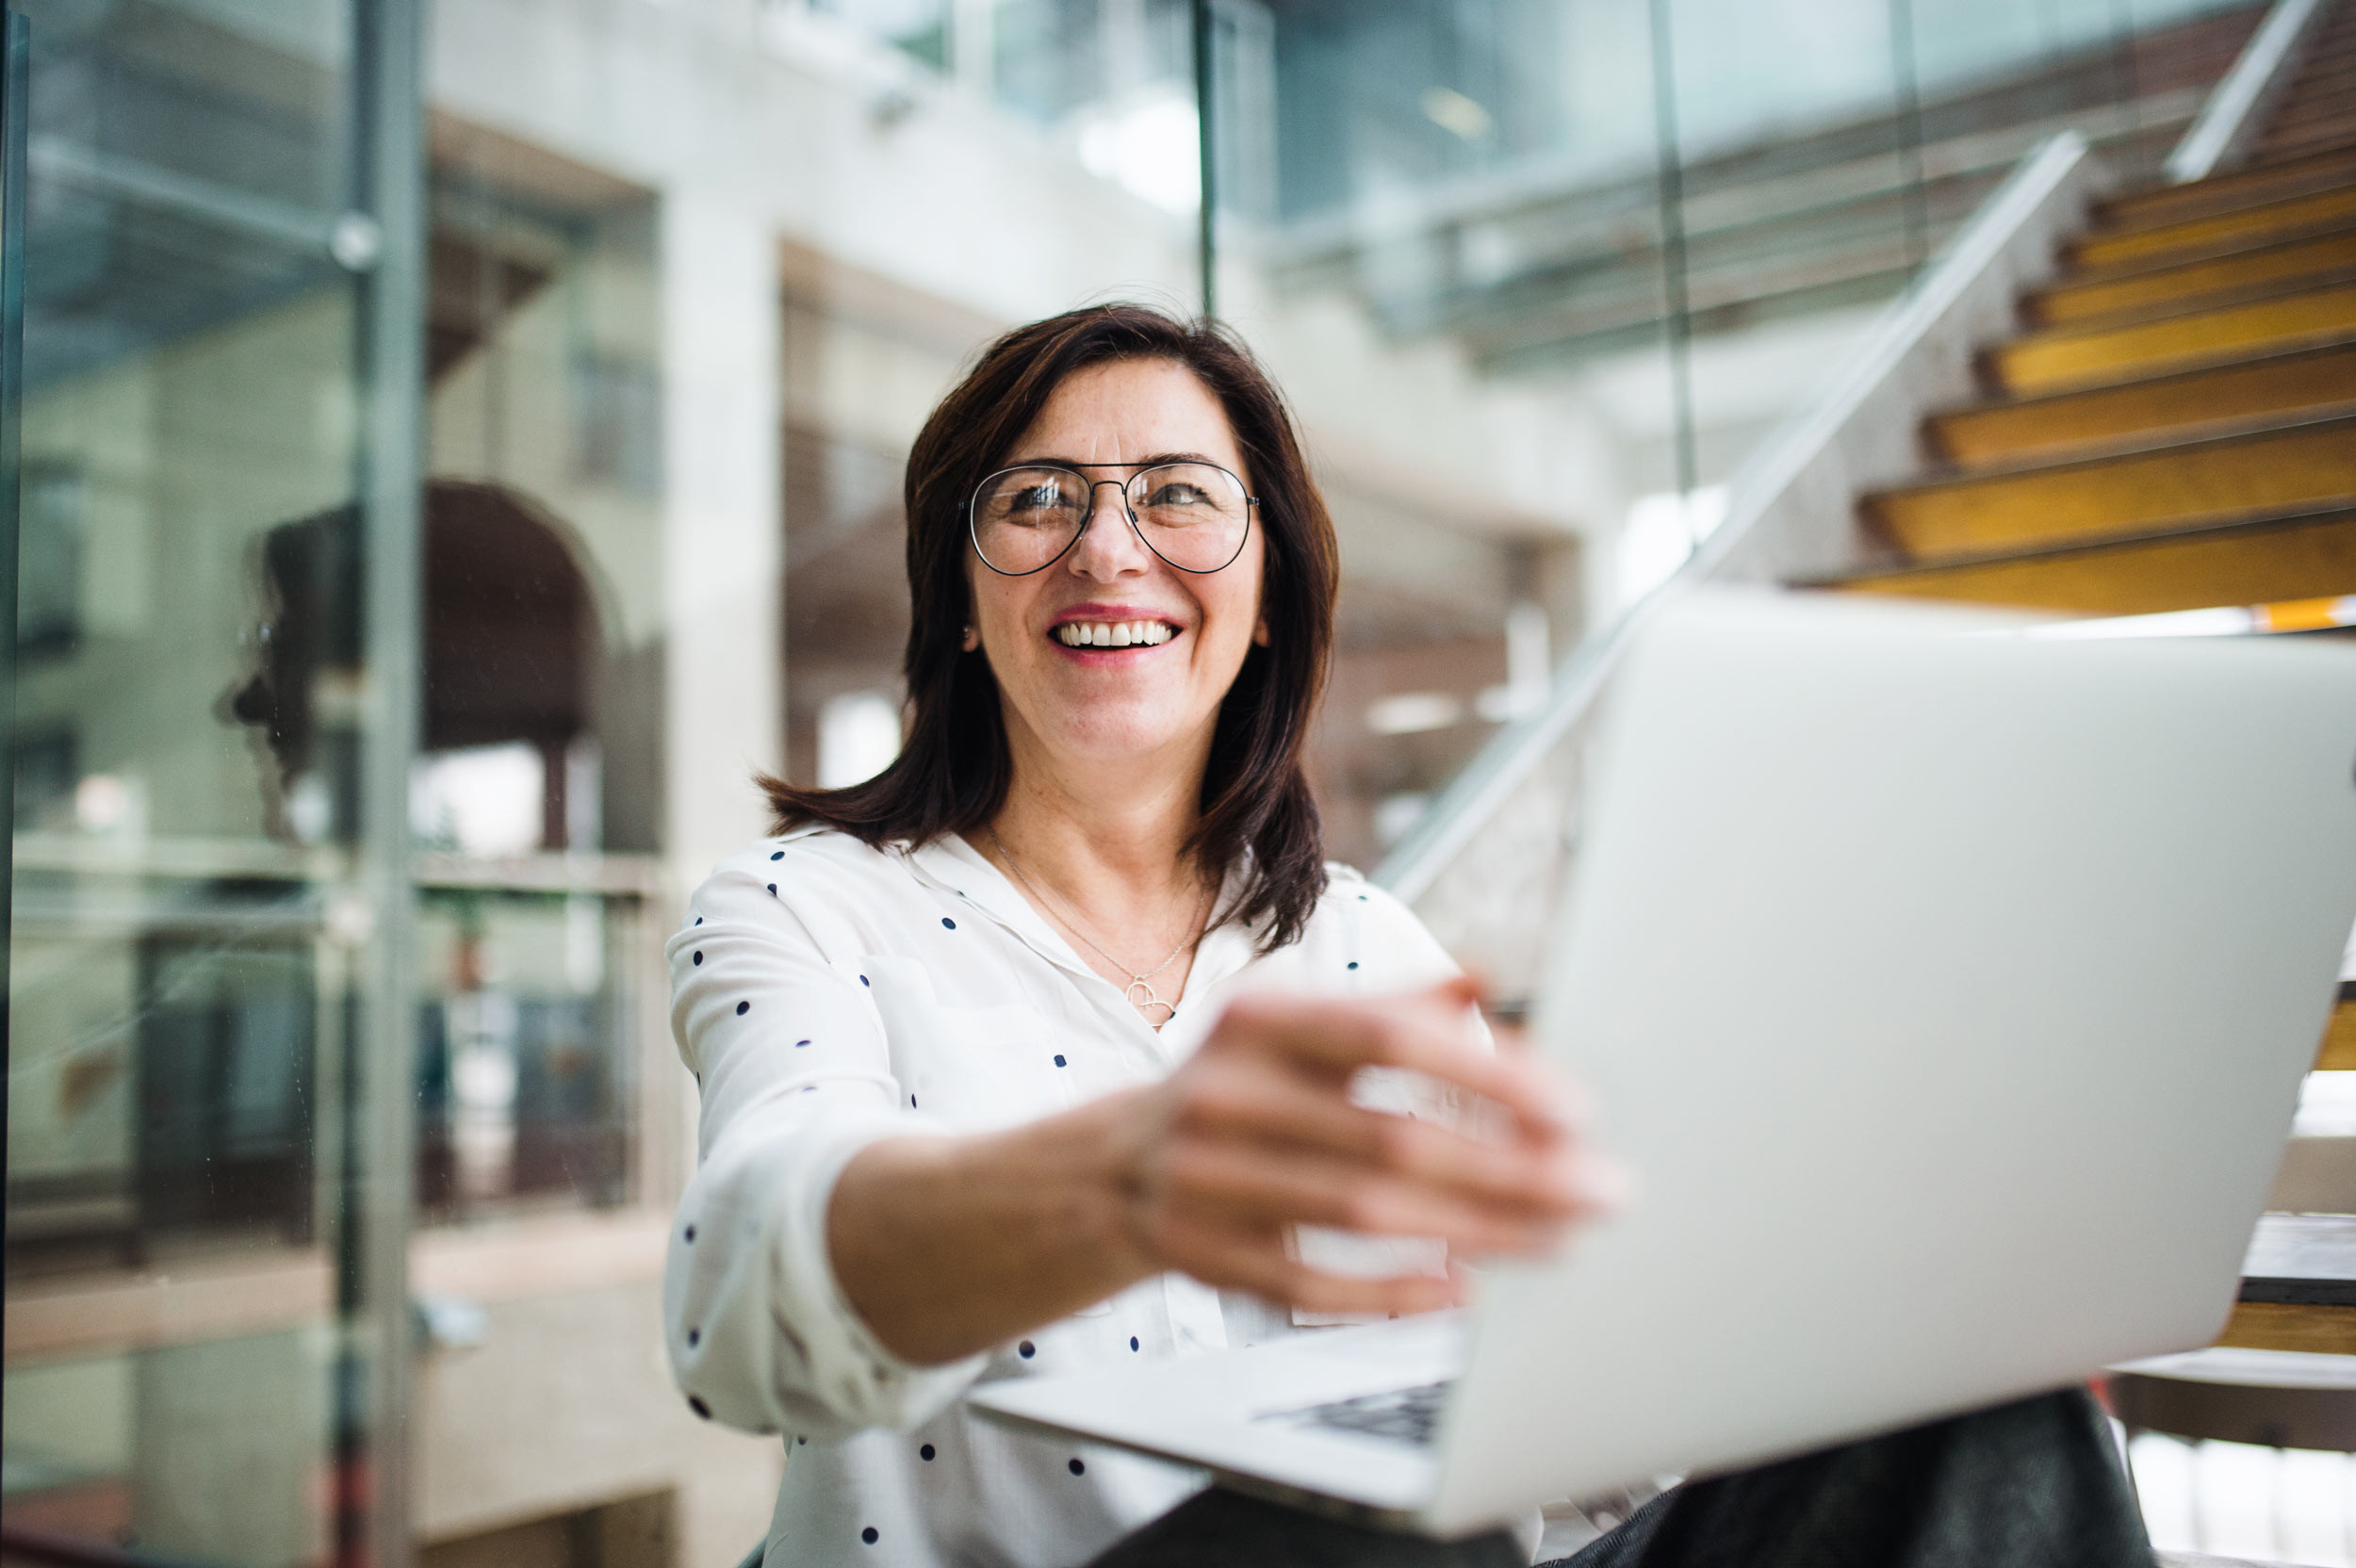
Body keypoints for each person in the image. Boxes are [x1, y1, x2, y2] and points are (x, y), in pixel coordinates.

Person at [663, 303, 2153, 1568]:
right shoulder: (808, 905)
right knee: (1362, 1530)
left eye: (1178, 494)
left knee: (1989, 1419)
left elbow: (1548, 1388)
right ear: (965, 608)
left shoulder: (1361, 943)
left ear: (1262, 608)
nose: (1106, 548)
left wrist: (1841, 1361)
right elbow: (745, 1295)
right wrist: (1121, 1184)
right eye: (1037, 498)